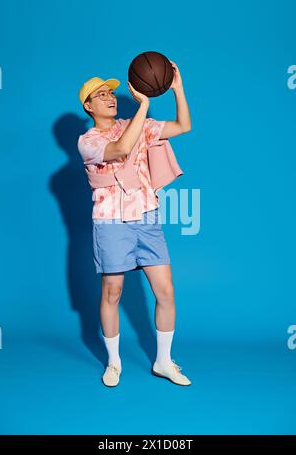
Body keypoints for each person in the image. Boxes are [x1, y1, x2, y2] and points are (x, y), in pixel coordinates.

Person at [77, 61, 192, 387]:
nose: (110, 97)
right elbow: (121, 149)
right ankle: (113, 363)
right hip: (111, 222)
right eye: (101, 95)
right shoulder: (88, 140)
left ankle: (163, 361)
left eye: (111, 92)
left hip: (147, 218)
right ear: (89, 106)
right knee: (112, 292)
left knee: (166, 292)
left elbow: (184, 126)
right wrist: (144, 103)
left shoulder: (136, 123)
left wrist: (177, 88)